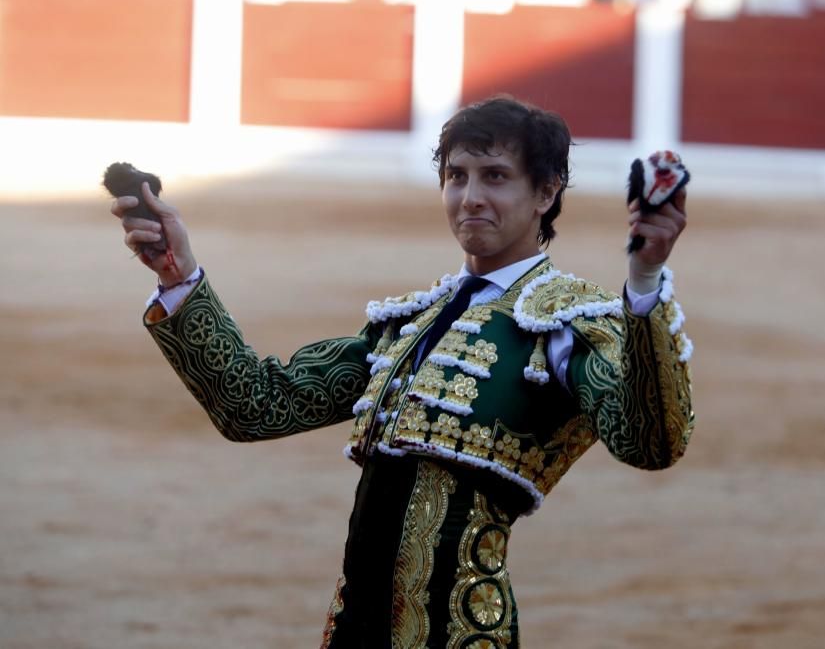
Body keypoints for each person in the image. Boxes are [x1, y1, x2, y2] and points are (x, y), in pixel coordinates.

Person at [111, 96, 695, 648]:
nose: (470, 197)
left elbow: (651, 441)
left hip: (463, 632)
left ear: (545, 192)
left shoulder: (566, 322)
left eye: (495, 176)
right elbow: (257, 407)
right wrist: (178, 276)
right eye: (457, 176)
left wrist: (644, 284)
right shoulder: (406, 325)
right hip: (353, 630)